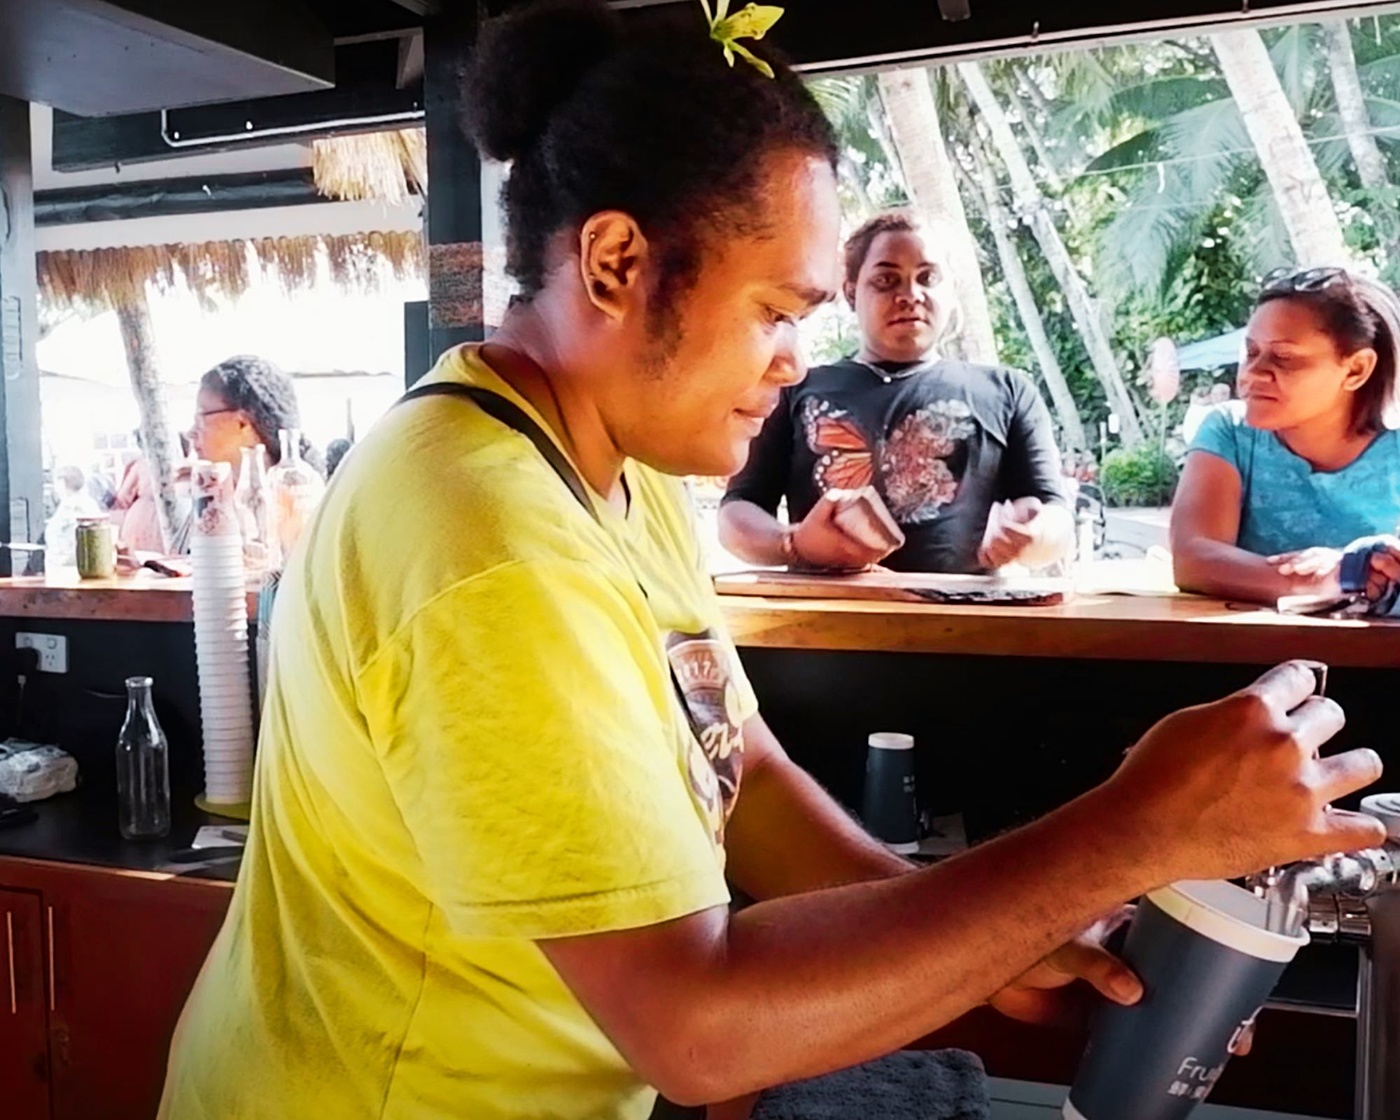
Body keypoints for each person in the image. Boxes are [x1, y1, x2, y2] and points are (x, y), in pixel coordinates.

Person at [160, 6, 1385, 1120]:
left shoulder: (607, 469)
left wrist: (1013, 934)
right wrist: (1127, 830)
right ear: (615, 262)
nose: (795, 359)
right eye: (775, 310)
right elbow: (693, 1026)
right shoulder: (488, 539)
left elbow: (737, 770)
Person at [719, 210, 1072, 574]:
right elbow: (737, 510)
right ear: (851, 292)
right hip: (826, 608)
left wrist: (1032, 535)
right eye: (886, 280)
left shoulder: (1008, 393)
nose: (910, 295)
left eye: (928, 277)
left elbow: (1054, 515)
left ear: (951, 290)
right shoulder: (795, 387)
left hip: (967, 609)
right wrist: (793, 543)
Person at [1172, 267, 1400, 604]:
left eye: (1283, 357)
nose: (1252, 374)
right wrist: (1329, 578)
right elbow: (1193, 559)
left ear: (1356, 369)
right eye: (1251, 353)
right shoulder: (1230, 433)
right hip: (1244, 640)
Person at [189, 354, 322, 477]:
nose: (191, 433)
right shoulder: (197, 488)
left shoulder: (297, 492)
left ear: (242, 424)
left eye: (201, 419)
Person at [112, 431, 166, 554]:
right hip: (168, 513)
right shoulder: (179, 462)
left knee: (138, 554)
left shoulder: (141, 463)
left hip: (143, 513)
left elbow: (123, 495)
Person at [43, 465, 99, 567]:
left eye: (56, 483)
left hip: (68, 564)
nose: (55, 488)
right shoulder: (89, 502)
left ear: (62, 483)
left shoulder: (70, 506)